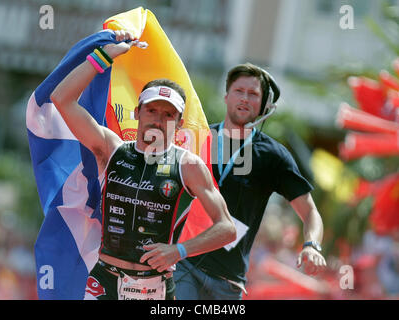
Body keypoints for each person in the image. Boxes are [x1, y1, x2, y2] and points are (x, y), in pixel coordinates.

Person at [49, 29, 236, 300]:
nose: (158, 120)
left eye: (168, 114)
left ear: (179, 122)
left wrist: (179, 250)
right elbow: (61, 99)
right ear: (137, 113)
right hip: (104, 279)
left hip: (156, 288)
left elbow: (227, 228)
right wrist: (103, 56)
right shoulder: (110, 149)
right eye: (151, 110)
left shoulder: (188, 166)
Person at [174, 62, 327, 300]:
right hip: (184, 264)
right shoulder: (199, 140)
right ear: (226, 97)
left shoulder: (274, 157)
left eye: (253, 94)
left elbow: (310, 213)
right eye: (239, 91)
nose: (244, 98)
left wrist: (312, 246)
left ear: (264, 106)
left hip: (229, 282)